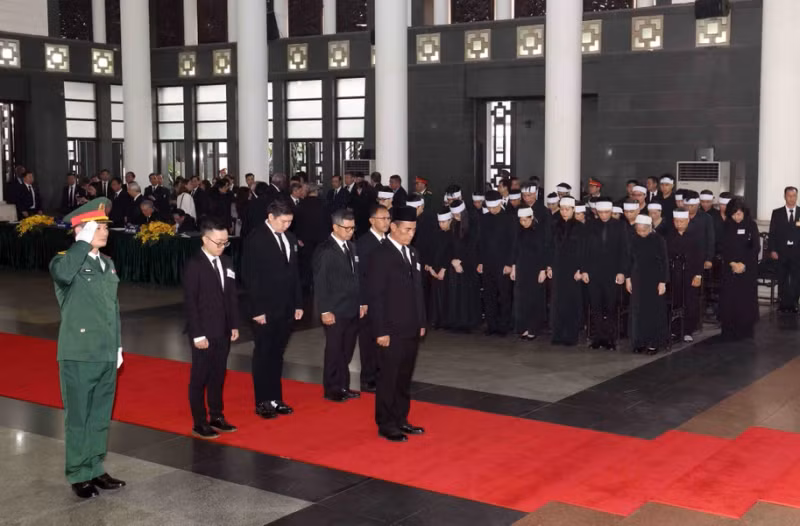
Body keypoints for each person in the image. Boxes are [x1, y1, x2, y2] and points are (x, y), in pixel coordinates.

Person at [49, 198, 125, 498]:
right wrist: (80, 243)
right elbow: (64, 274)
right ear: (80, 230)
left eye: (105, 225)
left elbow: (112, 308)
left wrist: (118, 345)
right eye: (97, 226)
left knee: (99, 415)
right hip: (79, 352)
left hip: (106, 351)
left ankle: (95, 467)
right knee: (79, 416)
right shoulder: (63, 261)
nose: (105, 231)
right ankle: (78, 472)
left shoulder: (107, 263)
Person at [367, 206, 426, 442]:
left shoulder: (412, 253)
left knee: (404, 377)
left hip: (410, 326)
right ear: (393, 227)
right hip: (390, 329)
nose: (410, 234)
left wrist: (421, 320)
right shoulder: (380, 255)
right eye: (406, 229)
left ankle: (401, 418)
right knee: (389, 377)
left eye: (413, 230)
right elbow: (376, 296)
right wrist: (380, 330)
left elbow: (418, 290)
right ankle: (386, 422)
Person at [242, 199, 303, 419]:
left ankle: (276, 398)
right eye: (284, 221)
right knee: (263, 353)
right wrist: (257, 310)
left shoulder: (289, 238)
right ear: (271, 218)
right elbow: (250, 278)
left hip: (285, 307)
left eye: (290, 222)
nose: (287, 226)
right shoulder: (256, 239)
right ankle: (262, 401)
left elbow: (294, 273)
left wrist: (298, 303)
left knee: (277, 354)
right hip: (265, 308)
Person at [183, 218, 240, 439]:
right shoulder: (194, 265)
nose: (222, 246)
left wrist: (234, 324)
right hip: (203, 331)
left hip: (223, 329)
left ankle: (217, 415)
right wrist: (198, 334)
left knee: (218, 375)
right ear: (205, 240)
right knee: (200, 377)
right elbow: (191, 302)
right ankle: (199, 421)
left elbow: (232, 297)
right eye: (218, 242)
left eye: (225, 242)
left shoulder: (226, 261)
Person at [314, 209, 366, 402]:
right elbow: (320, 282)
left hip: (352, 307)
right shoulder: (325, 250)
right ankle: (332, 388)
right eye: (346, 228)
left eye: (353, 228)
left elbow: (357, 277)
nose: (350, 231)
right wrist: (325, 310)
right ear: (335, 227)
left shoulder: (351, 247)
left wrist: (361, 302)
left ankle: (343, 385)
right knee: (334, 350)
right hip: (335, 309)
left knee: (347, 349)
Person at [583, 199, 627, 350]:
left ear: (611, 211)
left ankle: (610, 338)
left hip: (612, 273)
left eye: (606, 212)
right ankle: (598, 338)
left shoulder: (620, 226)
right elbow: (584, 250)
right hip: (594, 273)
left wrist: (622, 271)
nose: (603, 215)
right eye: (600, 212)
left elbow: (624, 251)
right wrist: (584, 270)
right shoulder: (590, 225)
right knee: (595, 306)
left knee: (610, 307)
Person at [356, 204, 391, 392]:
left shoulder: (388, 241)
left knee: (384, 337)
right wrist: (362, 301)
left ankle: (382, 373)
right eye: (382, 218)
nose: (386, 222)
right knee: (369, 339)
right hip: (369, 300)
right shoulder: (364, 243)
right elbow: (361, 275)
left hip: (386, 300)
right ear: (372, 221)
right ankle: (368, 377)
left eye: (388, 218)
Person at [627, 215, 669, 355]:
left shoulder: (659, 240)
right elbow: (628, 260)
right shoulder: (632, 239)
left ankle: (653, 343)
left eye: (644, 231)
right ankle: (639, 342)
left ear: (650, 228)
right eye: (639, 230)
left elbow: (664, 262)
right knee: (637, 311)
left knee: (653, 311)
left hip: (654, 279)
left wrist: (663, 282)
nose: (642, 233)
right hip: (637, 278)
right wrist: (628, 278)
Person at [719, 198, 760, 340]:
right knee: (729, 298)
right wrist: (732, 263)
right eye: (734, 214)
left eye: (739, 214)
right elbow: (722, 247)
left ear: (744, 213)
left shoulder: (751, 225)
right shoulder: (726, 226)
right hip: (730, 269)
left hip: (747, 270)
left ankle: (746, 328)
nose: (737, 217)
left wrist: (743, 264)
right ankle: (729, 328)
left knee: (746, 299)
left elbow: (755, 248)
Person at [477, 190, 515, 336]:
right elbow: (480, 242)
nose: (491, 210)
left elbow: (513, 243)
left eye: (494, 207)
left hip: (503, 264)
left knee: (504, 296)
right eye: (490, 207)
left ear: (500, 203)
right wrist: (480, 261)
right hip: (487, 263)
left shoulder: (509, 218)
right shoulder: (484, 218)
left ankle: (504, 326)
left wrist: (509, 263)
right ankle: (491, 325)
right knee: (489, 295)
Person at [549, 197, 586, 346]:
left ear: (573, 210)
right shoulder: (554, 225)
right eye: (562, 209)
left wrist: (581, 269)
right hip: (558, 268)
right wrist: (549, 266)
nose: (564, 212)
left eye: (567, 209)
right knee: (557, 301)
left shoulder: (580, 227)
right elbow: (549, 247)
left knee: (572, 301)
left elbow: (585, 250)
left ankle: (571, 335)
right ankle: (558, 333)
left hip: (573, 269)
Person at [666, 210, 704, 343]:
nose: (679, 224)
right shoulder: (670, 236)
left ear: (688, 221)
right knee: (675, 301)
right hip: (674, 274)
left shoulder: (695, 236)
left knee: (690, 302)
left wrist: (698, 275)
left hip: (690, 274)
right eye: (676, 221)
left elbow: (700, 257)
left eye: (681, 221)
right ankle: (675, 330)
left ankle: (688, 330)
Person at [511, 207, 549, 340]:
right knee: (522, 299)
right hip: (522, 268)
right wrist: (514, 267)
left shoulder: (539, 231)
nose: (523, 223)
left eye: (525, 220)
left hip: (535, 269)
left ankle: (533, 328)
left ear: (531, 218)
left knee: (534, 299)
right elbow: (515, 250)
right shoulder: (519, 231)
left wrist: (543, 270)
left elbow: (544, 252)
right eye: (521, 220)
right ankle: (524, 327)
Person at [768, 186, 800, 313]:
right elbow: (772, 233)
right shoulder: (777, 213)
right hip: (781, 251)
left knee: (797, 278)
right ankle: (783, 303)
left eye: (794, 196)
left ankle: (794, 303)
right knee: (782, 277)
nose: (791, 198)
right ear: (785, 196)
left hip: (797, 252)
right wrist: (773, 250)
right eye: (789, 196)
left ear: (797, 197)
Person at [427, 208, 454, 329]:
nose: (441, 225)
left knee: (447, 295)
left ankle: (447, 320)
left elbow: (451, 253)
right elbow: (432, 252)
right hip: (435, 268)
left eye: (444, 222)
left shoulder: (453, 235)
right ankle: (436, 319)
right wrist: (431, 268)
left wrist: (444, 269)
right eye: (440, 222)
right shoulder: (436, 235)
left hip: (448, 270)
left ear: (450, 220)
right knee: (435, 295)